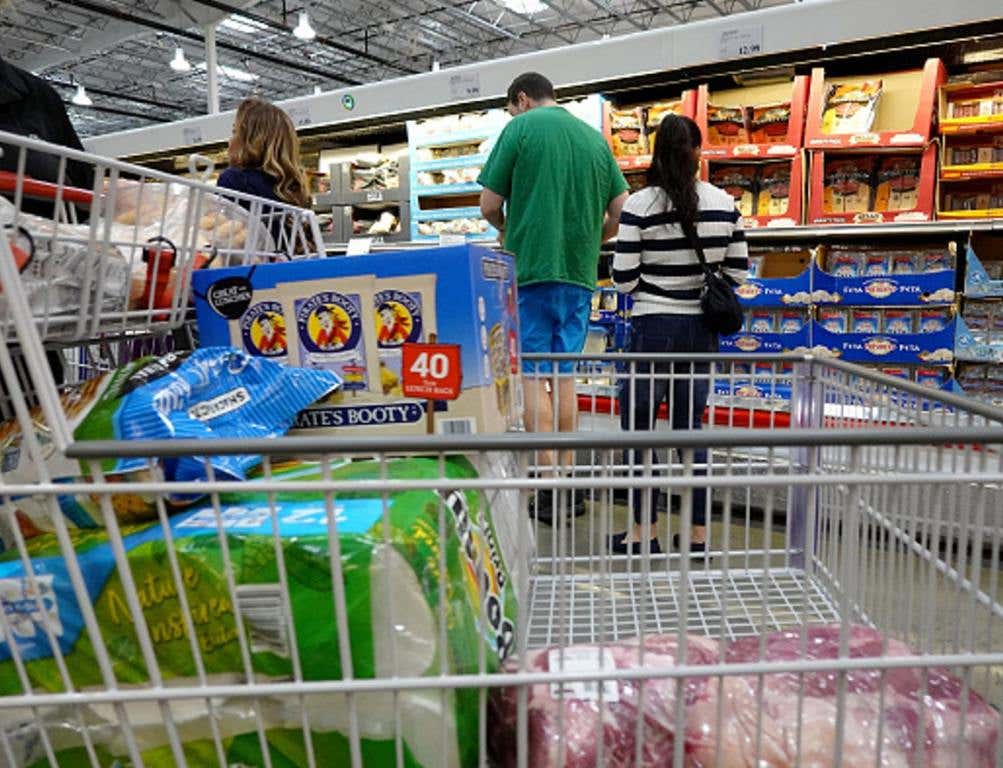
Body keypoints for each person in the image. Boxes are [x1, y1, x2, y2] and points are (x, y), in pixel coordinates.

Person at [478, 72, 629, 521]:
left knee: (533, 376)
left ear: (521, 99)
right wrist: (589, 241)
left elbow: (488, 204)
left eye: (510, 107)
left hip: (530, 270)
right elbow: (620, 212)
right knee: (564, 377)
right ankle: (569, 478)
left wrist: (509, 230)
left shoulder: (519, 129)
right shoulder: (595, 140)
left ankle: (547, 485)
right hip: (580, 276)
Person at [610, 115, 748, 556]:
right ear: (697, 153)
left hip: (653, 328)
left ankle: (643, 531)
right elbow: (739, 273)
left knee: (640, 431)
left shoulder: (639, 205)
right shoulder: (724, 202)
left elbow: (624, 280)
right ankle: (696, 536)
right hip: (701, 330)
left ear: (657, 154)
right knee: (692, 431)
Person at [218, 98, 311, 248]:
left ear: (250, 140)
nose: (230, 140)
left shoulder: (233, 179)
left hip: (250, 268)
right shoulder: (292, 187)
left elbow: (225, 239)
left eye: (235, 131)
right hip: (286, 267)